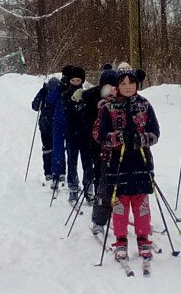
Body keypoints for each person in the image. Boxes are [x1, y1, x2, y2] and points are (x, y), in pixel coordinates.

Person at [97, 65, 160, 261]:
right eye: (123, 83)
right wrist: (118, 137)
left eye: (131, 82)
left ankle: (143, 238)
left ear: (136, 84)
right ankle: (121, 240)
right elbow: (100, 135)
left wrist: (142, 138)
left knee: (141, 203)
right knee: (120, 204)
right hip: (117, 163)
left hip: (141, 162)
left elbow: (155, 133)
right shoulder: (108, 107)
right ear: (117, 85)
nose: (127, 86)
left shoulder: (145, 105)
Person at [87, 64, 119, 234]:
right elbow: (94, 127)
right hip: (100, 148)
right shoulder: (95, 97)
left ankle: (117, 210)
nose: (111, 89)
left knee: (119, 183)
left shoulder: (122, 100)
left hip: (120, 151)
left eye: (114, 85)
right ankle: (99, 217)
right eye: (108, 85)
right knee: (102, 182)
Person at [62, 66, 94, 204]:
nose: (75, 83)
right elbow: (67, 111)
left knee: (88, 163)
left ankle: (89, 188)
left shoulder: (87, 95)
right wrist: (73, 101)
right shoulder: (65, 95)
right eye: (73, 80)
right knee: (72, 162)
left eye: (78, 80)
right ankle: (73, 188)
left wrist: (84, 100)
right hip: (71, 134)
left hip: (86, 135)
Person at [47, 65, 75, 187]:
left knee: (70, 150)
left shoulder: (75, 86)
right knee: (58, 149)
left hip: (70, 122)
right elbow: (50, 99)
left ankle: (70, 176)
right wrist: (59, 88)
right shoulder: (60, 87)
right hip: (59, 121)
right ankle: (56, 174)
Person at [31, 77, 61, 182]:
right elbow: (35, 106)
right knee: (58, 148)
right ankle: (60, 172)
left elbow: (34, 106)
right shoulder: (57, 91)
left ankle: (48, 172)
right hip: (55, 124)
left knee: (48, 149)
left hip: (47, 124)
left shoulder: (44, 91)